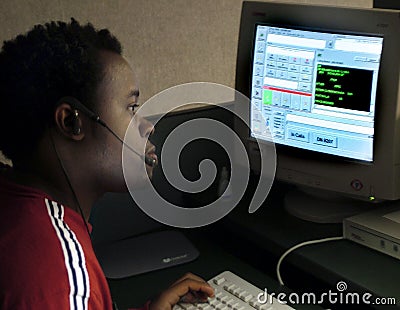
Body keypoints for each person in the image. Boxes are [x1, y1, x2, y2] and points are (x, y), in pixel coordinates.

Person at [0, 19, 214, 309]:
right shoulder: (61, 281)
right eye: (131, 107)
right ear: (72, 122)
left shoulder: (16, 203)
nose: (147, 127)